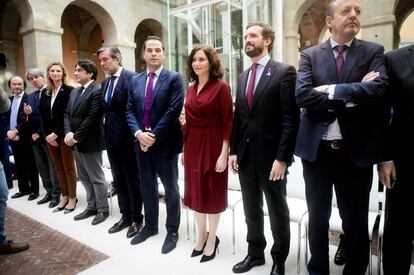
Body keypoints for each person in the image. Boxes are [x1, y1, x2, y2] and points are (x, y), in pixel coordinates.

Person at [294, 0, 389, 274]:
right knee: (319, 219)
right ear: (329, 21)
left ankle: (355, 270)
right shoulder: (310, 55)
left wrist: (331, 91)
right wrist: (355, 92)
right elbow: (302, 95)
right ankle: (317, 270)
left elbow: (378, 90)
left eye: (358, 11)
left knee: (355, 222)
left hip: (354, 154)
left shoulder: (373, 51)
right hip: (317, 154)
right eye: (346, 11)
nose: (353, 15)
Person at [229, 22, 299, 275]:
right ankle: (255, 253)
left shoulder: (284, 72)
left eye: (253, 35)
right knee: (251, 210)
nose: (247, 40)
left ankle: (279, 259)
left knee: (277, 211)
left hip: (272, 160)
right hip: (246, 156)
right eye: (246, 35)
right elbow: (239, 118)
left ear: (267, 40)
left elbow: (291, 120)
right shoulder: (242, 75)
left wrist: (282, 159)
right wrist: (234, 151)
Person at [126, 35, 184, 254]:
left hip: (165, 143)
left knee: (170, 188)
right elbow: (129, 110)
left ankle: (172, 230)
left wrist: (152, 136)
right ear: (143, 54)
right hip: (140, 143)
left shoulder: (174, 78)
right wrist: (139, 133)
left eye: (157, 50)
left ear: (163, 53)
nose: (153, 54)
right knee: (147, 186)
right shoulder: (135, 80)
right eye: (149, 50)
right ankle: (150, 226)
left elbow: (173, 110)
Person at [182, 45, 233, 262]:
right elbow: (189, 122)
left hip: (213, 145)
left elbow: (227, 123)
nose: (197, 63)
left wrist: (224, 154)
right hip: (193, 144)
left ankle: (213, 238)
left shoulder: (222, 87)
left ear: (211, 62)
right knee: (195, 191)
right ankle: (201, 236)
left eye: (201, 59)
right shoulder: (191, 88)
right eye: (194, 60)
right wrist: (184, 150)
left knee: (212, 192)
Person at [97, 46, 144, 238]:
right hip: (111, 139)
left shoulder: (133, 78)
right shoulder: (105, 83)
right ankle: (125, 216)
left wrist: (137, 134)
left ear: (117, 58)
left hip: (128, 139)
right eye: (100, 61)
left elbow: (138, 109)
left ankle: (137, 218)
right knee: (118, 179)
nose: (102, 64)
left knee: (132, 180)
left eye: (106, 59)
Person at [379, 44, 414, 275]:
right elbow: (381, 112)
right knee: (398, 232)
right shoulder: (395, 59)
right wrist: (385, 158)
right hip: (404, 163)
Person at [65, 59, 108, 225]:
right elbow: (67, 114)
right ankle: (91, 207)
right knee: (83, 177)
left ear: (90, 73)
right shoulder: (75, 92)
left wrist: (75, 136)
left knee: (96, 177)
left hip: (91, 141)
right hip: (75, 141)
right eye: (75, 70)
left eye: (79, 71)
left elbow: (93, 118)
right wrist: (68, 132)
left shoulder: (97, 90)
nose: (75, 73)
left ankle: (102, 209)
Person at [40, 62, 77, 211]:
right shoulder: (45, 92)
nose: (55, 73)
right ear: (48, 74)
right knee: (58, 168)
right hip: (49, 136)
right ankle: (64, 195)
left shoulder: (69, 90)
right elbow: (43, 116)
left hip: (63, 135)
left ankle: (73, 197)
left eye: (58, 71)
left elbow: (67, 115)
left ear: (63, 73)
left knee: (68, 167)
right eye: (52, 71)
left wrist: (56, 134)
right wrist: (48, 135)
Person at [24, 68, 61, 207]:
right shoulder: (30, 96)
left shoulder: (50, 92)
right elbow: (27, 117)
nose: (33, 80)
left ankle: (57, 195)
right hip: (34, 139)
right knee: (42, 167)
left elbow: (50, 117)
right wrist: (26, 114)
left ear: (42, 77)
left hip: (47, 136)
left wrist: (39, 132)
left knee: (52, 167)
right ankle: (49, 192)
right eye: (30, 79)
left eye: (35, 77)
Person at [0, 85, 30, 255]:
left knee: (2, 193)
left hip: (13, 138)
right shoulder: (10, 98)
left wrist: (15, 132)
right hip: (8, 138)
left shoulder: (27, 98)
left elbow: (4, 107)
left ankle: (1, 240)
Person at [6, 76, 39, 200]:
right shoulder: (8, 100)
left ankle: (34, 191)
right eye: (14, 84)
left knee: (31, 165)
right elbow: (5, 118)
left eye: (19, 84)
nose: (17, 86)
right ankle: (23, 189)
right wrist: (9, 132)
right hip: (12, 138)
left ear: (24, 86)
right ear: (10, 86)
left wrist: (16, 132)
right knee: (19, 165)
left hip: (25, 137)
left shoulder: (29, 99)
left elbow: (28, 119)